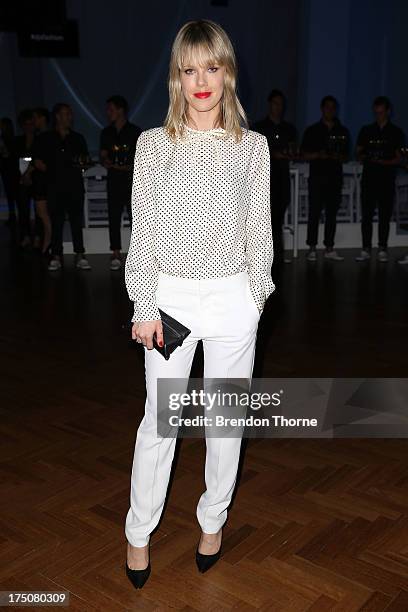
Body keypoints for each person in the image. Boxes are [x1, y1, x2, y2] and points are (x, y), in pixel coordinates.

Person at [124, 19, 275, 589]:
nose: (201, 81)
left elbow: (260, 232)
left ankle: (212, 521)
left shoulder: (254, 148)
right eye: (190, 70)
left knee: (225, 424)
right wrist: (143, 303)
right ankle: (139, 532)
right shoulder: (153, 146)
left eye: (211, 67)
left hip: (234, 300)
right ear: (177, 78)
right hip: (172, 302)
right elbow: (144, 232)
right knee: (159, 426)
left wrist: (254, 297)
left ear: (227, 71)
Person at [32, 103, 91, 271]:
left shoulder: (78, 138)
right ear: (57, 116)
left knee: (75, 222)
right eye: (66, 114)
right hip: (55, 187)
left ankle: (80, 254)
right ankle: (56, 255)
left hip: (74, 186)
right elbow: (37, 161)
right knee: (56, 222)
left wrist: (83, 164)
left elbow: (84, 160)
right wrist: (53, 172)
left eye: (70, 114)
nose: (69, 117)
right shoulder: (45, 138)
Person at [355, 96, 405, 263]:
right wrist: (368, 157)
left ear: (388, 112)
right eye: (376, 113)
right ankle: (366, 248)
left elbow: (400, 158)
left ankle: (382, 247)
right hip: (369, 177)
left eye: (381, 113)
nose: (378, 116)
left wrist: (385, 161)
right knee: (367, 215)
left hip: (386, 178)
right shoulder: (366, 130)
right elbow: (358, 153)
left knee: (384, 215)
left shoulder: (396, 132)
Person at [301, 95, 350, 261]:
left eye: (332, 107)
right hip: (317, 177)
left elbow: (346, 156)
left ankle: (329, 247)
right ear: (322, 109)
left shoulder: (342, 131)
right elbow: (303, 154)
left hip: (335, 177)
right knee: (314, 213)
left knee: (331, 214)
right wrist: (318, 155)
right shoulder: (312, 130)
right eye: (327, 107)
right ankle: (312, 248)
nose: (330, 110)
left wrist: (338, 156)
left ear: (336, 110)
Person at [251, 89, 297, 267]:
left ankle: (276, 254)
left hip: (282, 178)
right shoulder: (259, 128)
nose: (279, 107)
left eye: (281, 104)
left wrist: (289, 153)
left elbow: (293, 150)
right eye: (276, 103)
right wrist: (272, 154)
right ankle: (262, 255)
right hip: (263, 180)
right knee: (263, 220)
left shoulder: (289, 129)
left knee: (277, 219)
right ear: (270, 104)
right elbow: (253, 154)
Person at [100, 96, 142, 270]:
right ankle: (115, 253)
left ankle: (138, 255)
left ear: (120, 110)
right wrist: (106, 162)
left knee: (136, 218)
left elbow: (142, 157)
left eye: (110, 109)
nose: (108, 113)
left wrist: (129, 166)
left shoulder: (135, 131)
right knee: (114, 217)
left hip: (132, 181)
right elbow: (103, 155)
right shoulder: (106, 132)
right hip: (114, 180)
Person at [14, 109, 36, 248]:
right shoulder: (17, 141)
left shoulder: (40, 139)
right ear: (22, 125)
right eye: (26, 124)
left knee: (40, 210)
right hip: (21, 178)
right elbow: (14, 160)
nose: (29, 127)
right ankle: (26, 236)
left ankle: (39, 237)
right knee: (23, 210)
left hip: (37, 178)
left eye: (31, 124)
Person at [31, 107, 51, 254]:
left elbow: (39, 162)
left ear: (43, 118)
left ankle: (48, 241)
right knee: (43, 213)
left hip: (42, 180)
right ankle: (46, 240)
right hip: (43, 179)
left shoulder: (43, 137)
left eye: (35, 118)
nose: (33, 121)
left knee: (43, 213)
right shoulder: (47, 136)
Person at [0, 117, 19, 227]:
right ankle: (13, 215)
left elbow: (7, 154)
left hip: (9, 169)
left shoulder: (7, 139)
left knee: (11, 193)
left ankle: (13, 216)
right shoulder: (12, 139)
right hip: (9, 169)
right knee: (12, 193)